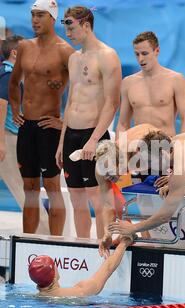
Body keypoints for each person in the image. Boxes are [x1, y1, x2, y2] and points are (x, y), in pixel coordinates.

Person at [9, 0, 74, 235]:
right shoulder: (25, 46)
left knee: (52, 187)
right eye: (33, 15)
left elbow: (82, 90)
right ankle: (27, 240)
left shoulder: (65, 50)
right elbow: (14, 81)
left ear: (52, 18)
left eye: (40, 15)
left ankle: (55, 243)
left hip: (49, 128)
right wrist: (15, 108)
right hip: (27, 127)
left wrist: (64, 121)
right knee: (30, 188)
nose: (35, 20)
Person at [55, 6, 122, 239]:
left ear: (86, 25)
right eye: (65, 26)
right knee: (76, 196)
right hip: (72, 133)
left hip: (93, 135)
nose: (67, 32)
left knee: (98, 197)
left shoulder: (107, 56)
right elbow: (71, 102)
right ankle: (83, 246)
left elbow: (112, 103)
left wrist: (93, 140)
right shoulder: (74, 58)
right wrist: (62, 142)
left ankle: (103, 246)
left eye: (70, 26)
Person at [0, 35, 49, 233]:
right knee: (27, 191)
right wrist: (1, 142)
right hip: (8, 141)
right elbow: (2, 105)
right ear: (15, 53)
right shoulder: (8, 74)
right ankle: (43, 238)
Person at [116, 31, 185, 138]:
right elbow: (123, 124)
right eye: (137, 54)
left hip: (165, 145)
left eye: (144, 53)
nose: (140, 59)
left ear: (157, 51)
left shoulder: (176, 80)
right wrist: (120, 150)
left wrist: (184, 148)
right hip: (139, 146)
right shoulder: (128, 83)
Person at [28, 235, 133, 296]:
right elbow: (108, 267)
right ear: (54, 275)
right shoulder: (80, 291)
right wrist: (124, 241)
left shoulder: (31, 297)